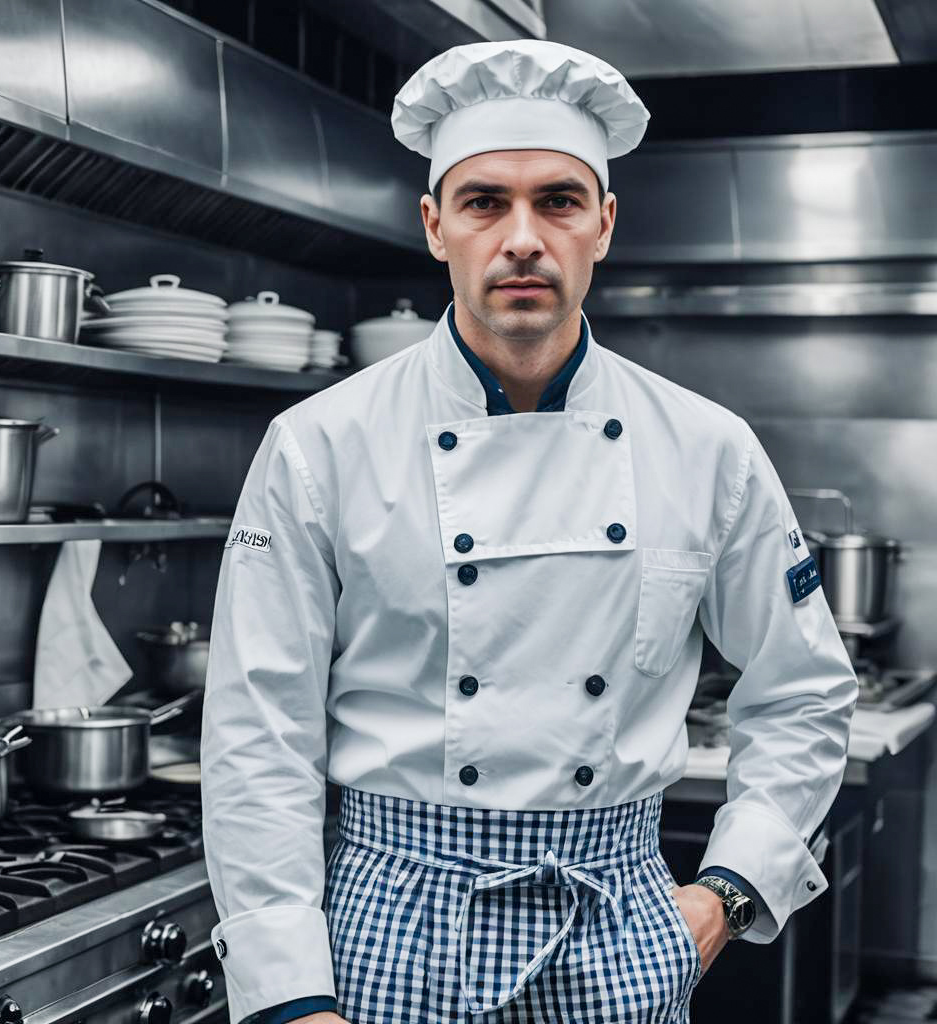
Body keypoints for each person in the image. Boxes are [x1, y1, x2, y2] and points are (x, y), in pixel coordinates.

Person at [201, 38, 858, 1024]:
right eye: (482, 202)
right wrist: (290, 994)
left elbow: (802, 691)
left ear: (603, 221)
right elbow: (260, 731)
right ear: (434, 226)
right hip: (388, 924)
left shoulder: (707, 447)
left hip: (618, 925)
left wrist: (726, 893)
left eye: (556, 200)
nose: (521, 237)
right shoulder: (316, 446)